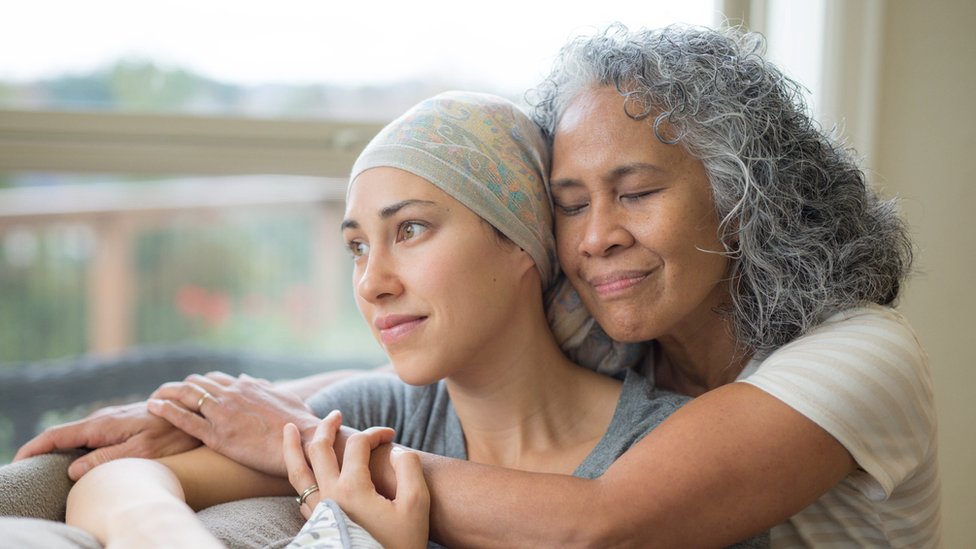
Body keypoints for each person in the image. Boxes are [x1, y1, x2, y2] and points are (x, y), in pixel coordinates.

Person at [10, 23, 940, 547]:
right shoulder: (616, 324)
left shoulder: (858, 354)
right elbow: (445, 360)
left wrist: (296, 434)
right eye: (570, 203)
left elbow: (602, 518)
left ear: (744, 196)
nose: (596, 235)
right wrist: (196, 409)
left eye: (637, 191)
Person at [62, 91, 721, 548]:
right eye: (356, 246)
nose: (372, 283)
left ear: (522, 239)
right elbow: (117, 480)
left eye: (409, 229)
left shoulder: (665, 452)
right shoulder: (384, 415)